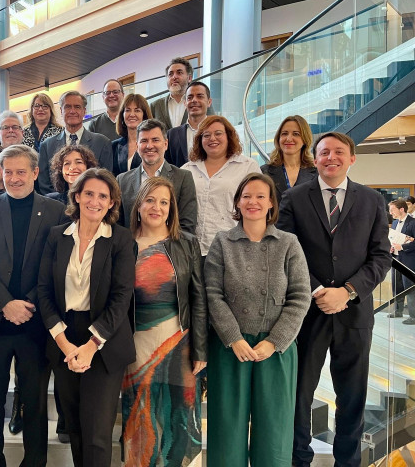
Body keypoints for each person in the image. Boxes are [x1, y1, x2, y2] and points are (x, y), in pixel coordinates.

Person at [277, 132, 391, 467]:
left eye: (339, 152)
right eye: (324, 152)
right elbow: (286, 254)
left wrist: (348, 291)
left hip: (354, 315)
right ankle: (299, 460)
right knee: (299, 396)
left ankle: (348, 462)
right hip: (306, 313)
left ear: (352, 158)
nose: (331, 158)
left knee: (352, 398)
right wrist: (317, 291)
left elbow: (381, 257)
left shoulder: (372, 201)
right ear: (316, 158)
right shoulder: (294, 198)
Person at [0, 145, 67, 467]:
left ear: (35, 173)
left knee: (35, 408)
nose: (13, 178)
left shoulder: (54, 210)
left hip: (35, 326)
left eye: (21, 171)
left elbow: (54, 268)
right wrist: (5, 304)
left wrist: (28, 305)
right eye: (7, 171)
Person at [205, 172, 311, 467]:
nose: (253, 202)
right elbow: (212, 294)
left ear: (271, 204)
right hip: (230, 348)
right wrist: (233, 337)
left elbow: (301, 296)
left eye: (260, 196)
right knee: (226, 430)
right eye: (246, 196)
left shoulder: (288, 243)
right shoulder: (222, 242)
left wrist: (275, 341)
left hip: (275, 349)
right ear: (237, 202)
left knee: (275, 431)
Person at [38, 168, 136, 467]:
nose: (95, 200)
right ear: (77, 196)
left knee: (96, 433)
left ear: (111, 203)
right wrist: (66, 345)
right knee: (76, 429)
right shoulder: (57, 236)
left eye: (103, 196)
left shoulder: (120, 239)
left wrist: (92, 345)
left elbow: (122, 297)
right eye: (89, 193)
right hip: (64, 335)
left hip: (104, 340)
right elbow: (43, 291)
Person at [122, 176, 207, 467]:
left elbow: (198, 300)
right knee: (140, 418)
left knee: (179, 417)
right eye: (150, 200)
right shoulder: (122, 243)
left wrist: (200, 350)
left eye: (164, 202)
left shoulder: (186, 244)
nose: (156, 207)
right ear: (138, 205)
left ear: (171, 209)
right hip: (135, 347)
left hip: (179, 346)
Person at [181, 115, 260, 258]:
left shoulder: (248, 166)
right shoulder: (187, 169)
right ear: (200, 140)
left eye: (218, 133)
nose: (212, 138)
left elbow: (258, 208)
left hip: (234, 249)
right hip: (193, 252)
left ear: (229, 136)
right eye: (206, 135)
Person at [117, 119, 197, 235]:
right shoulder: (122, 180)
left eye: (155, 140)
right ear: (137, 145)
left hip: (169, 250)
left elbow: (187, 226)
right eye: (144, 141)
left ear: (165, 144)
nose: (149, 146)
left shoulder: (183, 178)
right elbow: (118, 224)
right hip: (130, 250)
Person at [38, 90, 113, 194]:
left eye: (77, 107)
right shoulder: (46, 145)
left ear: (84, 111)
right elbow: (44, 184)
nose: (72, 111)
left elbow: (106, 180)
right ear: (61, 110)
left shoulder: (102, 143)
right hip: (56, 206)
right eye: (68, 107)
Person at [260, 115, 317, 203]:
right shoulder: (264, 172)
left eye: (296, 134)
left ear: (305, 139)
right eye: (284, 133)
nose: (289, 138)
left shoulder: (317, 174)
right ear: (278, 139)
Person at [165, 81, 212, 168]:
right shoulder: (171, 135)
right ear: (185, 103)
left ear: (209, 102)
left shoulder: (219, 133)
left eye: (200, 96)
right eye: (190, 97)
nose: (194, 100)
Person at [388, 199, 415, 323]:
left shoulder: (413, 223)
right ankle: (398, 311)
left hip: (409, 261)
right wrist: (392, 247)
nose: (390, 213)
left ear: (401, 209)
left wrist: (403, 247)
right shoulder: (394, 223)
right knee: (396, 285)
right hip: (396, 259)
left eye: (392, 210)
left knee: (409, 287)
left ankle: (413, 316)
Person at [111, 93, 151, 176]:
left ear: (144, 115)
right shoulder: (114, 146)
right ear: (122, 115)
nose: (132, 114)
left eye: (137, 110)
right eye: (127, 110)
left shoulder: (153, 144)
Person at [149, 57, 193, 130]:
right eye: (170, 74)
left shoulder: (200, 103)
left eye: (179, 73)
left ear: (189, 78)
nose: (174, 77)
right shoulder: (155, 106)